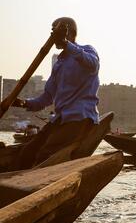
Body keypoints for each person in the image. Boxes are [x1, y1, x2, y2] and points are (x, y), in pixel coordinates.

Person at [11, 17, 99, 169]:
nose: (53, 36)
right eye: (52, 32)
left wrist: (66, 43)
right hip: (59, 119)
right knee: (26, 152)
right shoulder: (59, 64)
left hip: (80, 117)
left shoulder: (87, 50)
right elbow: (46, 98)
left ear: (70, 33)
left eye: (57, 31)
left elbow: (93, 65)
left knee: (45, 156)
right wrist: (24, 103)